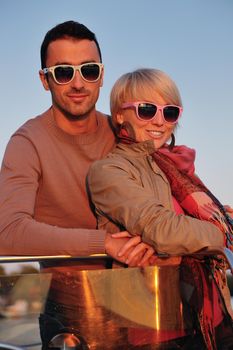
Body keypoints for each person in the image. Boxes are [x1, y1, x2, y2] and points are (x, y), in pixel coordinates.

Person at [0, 21, 152, 348]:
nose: (78, 83)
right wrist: (103, 243)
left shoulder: (125, 132)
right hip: (67, 307)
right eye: (64, 72)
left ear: (101, 76)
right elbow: (7, 232)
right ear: (45, 80)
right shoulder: (27, 142)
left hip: (143, 296)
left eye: (89, 70)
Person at [88, 68, 233, 349]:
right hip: (153, 327)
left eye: (169, 112)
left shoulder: (174, 167)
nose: (159, 121)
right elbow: (162, 229)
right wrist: (222, 231)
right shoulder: (109, 170)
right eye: (146, 109)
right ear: (120, 114)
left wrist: (220, 219)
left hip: (212, 314)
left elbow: (182, 226)